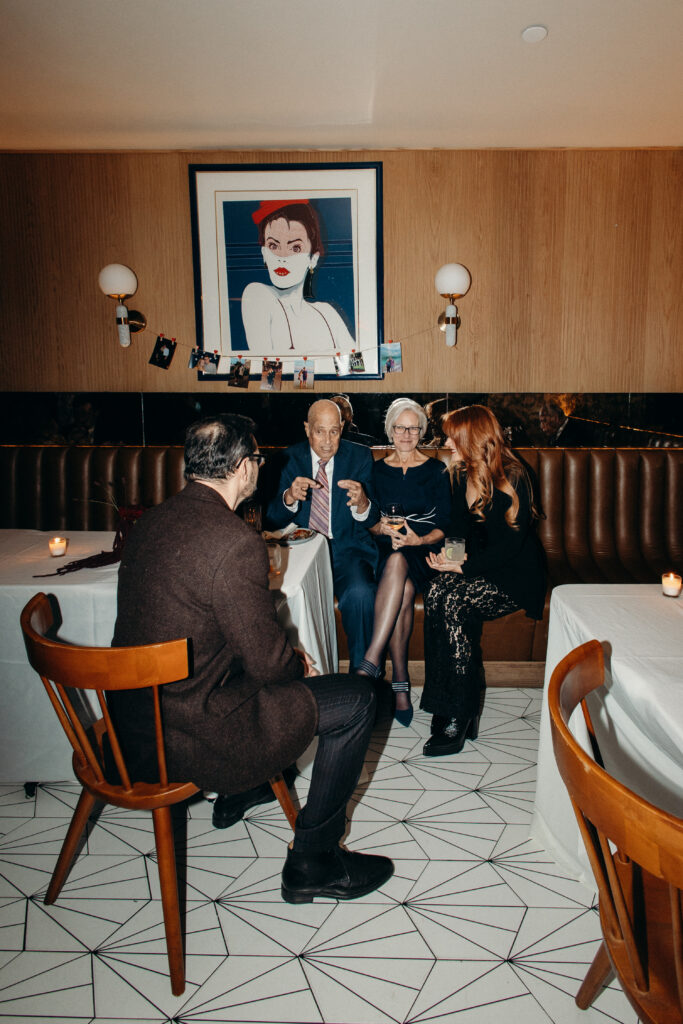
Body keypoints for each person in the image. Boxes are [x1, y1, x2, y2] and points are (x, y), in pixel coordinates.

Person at [110, 415, 393, 903]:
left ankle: (246, 788)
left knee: (268, 667)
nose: (260, 466)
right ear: (243, 468)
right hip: (190, 735)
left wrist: (275, 654)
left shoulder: (152, 521)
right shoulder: (234, 540)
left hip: (132, 723)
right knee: (358, 700)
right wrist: (295, 663)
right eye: (258, 459)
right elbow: (270, 668)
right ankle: (313, 860)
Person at [421, 405, 546, 757]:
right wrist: (451, 559)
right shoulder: (458, 473)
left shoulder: (516, 475)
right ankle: (449, 701)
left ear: (471, 439)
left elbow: (513, 545)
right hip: (476, 566)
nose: (445, 441)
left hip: (514, 574)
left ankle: (460, 712)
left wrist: (464, 568)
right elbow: (458, 530)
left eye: (451, 436)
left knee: (455, 601)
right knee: (435, 593)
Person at [356, 399, 451, 725]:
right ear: (390, 430)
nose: (407, 434)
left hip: (423, 551)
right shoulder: (376, 469)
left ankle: (372, 659)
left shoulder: (437, 469)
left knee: (401, 564)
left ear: (422, 431)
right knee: (403, 585)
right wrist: (380, 527)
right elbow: (369, 520)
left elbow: (444, 526)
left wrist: (418, 540)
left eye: (413, 427)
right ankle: (400, 680)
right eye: (401, 427)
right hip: (388, 547)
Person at [266, 399, 380, 672]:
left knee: (361, 594)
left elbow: (373, 518)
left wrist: (363, 503)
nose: (327, 441)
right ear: (307, 429)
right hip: (300, 553)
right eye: (319, 431)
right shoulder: (288, 459)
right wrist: (290, 497)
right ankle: (302, 675)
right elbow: (271, 517)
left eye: (334, 431)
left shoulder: (360, 457)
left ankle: (362, 676)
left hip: (347, 551)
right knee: (284, 599)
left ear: (342, 428)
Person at [241, 200, 355, 370]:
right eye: (273, 245)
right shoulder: (257, 295)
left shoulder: (327, 313)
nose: (282, 256)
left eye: (295, 248)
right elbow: (268, 377)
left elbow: (357, 368)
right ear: (264, 253)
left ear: (313, 258)